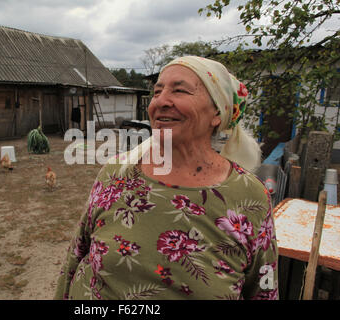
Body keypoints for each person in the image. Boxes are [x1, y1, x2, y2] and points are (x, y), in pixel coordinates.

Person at [54, 56, 278, 300]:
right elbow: (75, 256)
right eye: (157, 91)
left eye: (179, 90)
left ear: (217, 113)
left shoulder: (249, 196)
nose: (160, 101)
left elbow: (264, 289)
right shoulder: (116, 173)